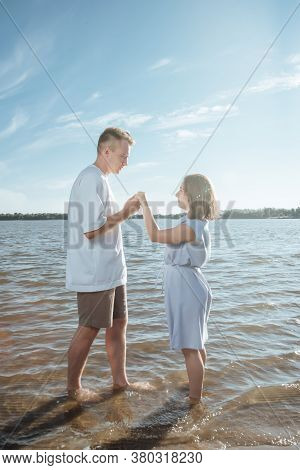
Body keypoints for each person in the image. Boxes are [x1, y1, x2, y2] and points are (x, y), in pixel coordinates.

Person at [65, 127, 140, 401]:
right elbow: (90, 230)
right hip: (94, 272)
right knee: (89, 328)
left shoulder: (103, 180)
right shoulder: (90, 178)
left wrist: (124, 212)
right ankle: (73, 388)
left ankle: (120, 383)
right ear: (106, 150)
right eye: (123, 155)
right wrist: (126, 212)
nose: (126, 161)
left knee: (119, 323)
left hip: (113, 272)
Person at [135, 174, 218, 404]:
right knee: (196, 344)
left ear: (191, 194)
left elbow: (154, 235)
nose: (176, 194)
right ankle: (196, 388)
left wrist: (144, 204)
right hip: (190, 284)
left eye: (180, 190)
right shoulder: (194, 222)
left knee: (190, 348)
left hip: (187, 288)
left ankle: (194, 401)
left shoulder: (192, 226)